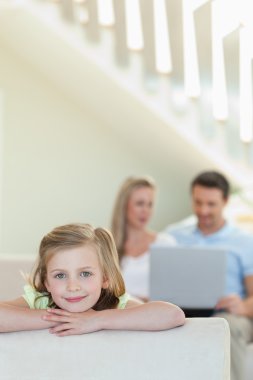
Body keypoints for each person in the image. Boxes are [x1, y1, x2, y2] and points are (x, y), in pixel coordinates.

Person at [0, 223, 185, 335]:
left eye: (85, 274)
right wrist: (61, 319)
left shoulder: (115, 305)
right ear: (47, 282)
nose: (73, 286)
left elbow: (173, 315)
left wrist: (96, 320)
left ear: (105, 278)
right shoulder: (40, 301)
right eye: (60, 275)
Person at [165, 170, 253, 380]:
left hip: (228, 314)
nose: (203, 210)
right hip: (181, 311)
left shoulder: (244, 241)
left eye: (211, 204)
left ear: (225, 201)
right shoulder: (173, 236)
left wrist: (242, 306)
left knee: (224, 325)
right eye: (198, 202)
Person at [111, 176, 176, 301]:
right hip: (118, 316)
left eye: (150, 204)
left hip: (156, 316)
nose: (146, 211)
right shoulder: (107, 246)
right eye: (140, 204)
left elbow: (173, 295)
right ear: (124, 206)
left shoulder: (165, 243)